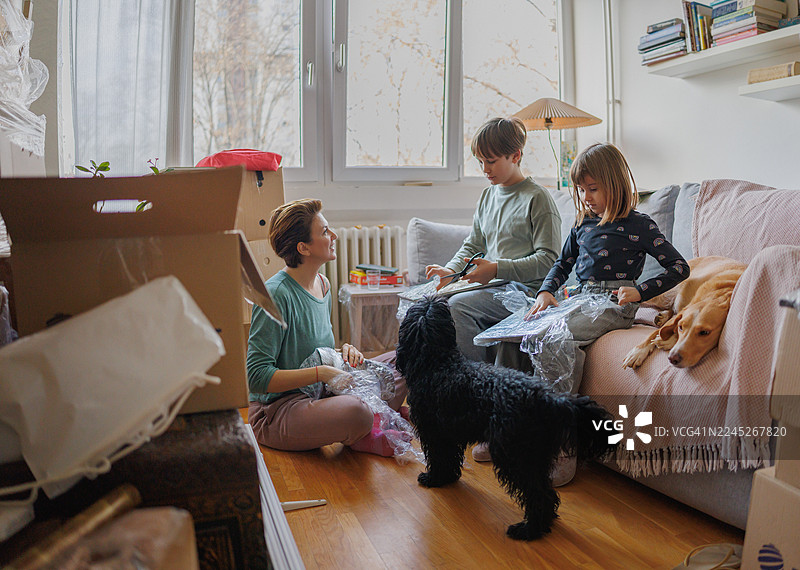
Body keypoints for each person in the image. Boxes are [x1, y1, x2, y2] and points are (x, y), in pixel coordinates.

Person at [495, 142, 690, 482]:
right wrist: (545, 292)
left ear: (614, 184)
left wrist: (640, 291)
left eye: (593, 189)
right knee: (517, 334)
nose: (586, 197)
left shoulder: (639, 225)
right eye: (581, 190)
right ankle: (500, 429)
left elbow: (678, 267)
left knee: (559, 339)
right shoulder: (583, 223)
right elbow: (562, 263)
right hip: (578, 298)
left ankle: (562, 448)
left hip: (613, 304)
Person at [247, 198, 408, 457]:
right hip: (279, 410)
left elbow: (313, 347)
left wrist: (344, 350)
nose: (333, 235)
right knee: (356, 412)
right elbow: (256, 377)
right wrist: (321, 372)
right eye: (324, 231)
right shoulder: (275, 295)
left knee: (406, 360)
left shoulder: (322, 284)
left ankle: (370, 422)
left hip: (321, 393)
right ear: (303, 248)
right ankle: (370, 423)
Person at [425, 116, 561, 365]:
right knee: (431, 305)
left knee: (459, 307)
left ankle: (475, 384)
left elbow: (549, 260)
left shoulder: (538, 198)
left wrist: (497, 268)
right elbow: (473, 244)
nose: (484, 169)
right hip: (495, 287)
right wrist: (451, 270)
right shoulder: (488, 196)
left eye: (491, 161)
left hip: (528, 291)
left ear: (516, 156)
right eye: (480, 162)